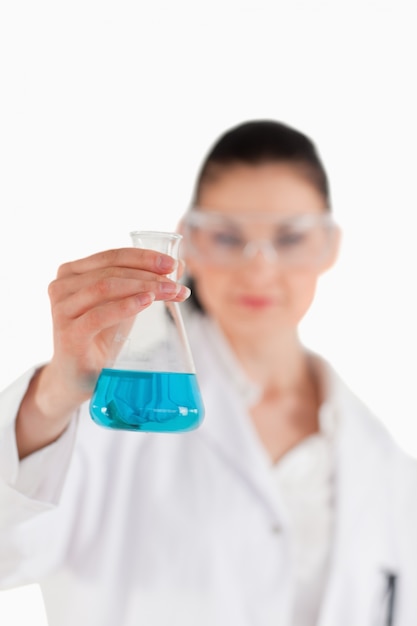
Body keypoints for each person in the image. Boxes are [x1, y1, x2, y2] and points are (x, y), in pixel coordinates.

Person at [0, 120, 416, 626]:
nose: (258, 268)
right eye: (226, 236)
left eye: (289, 238)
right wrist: (55, 396)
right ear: (190, 243)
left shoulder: (384, 464)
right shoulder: (111, 413)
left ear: (328, 247)